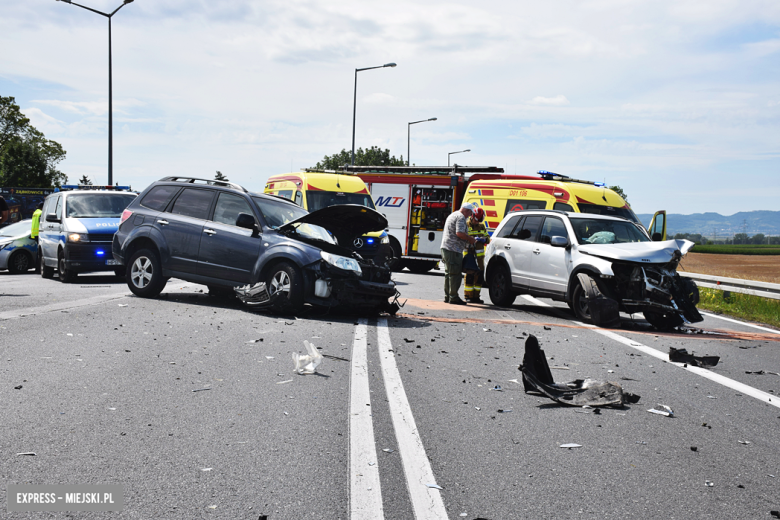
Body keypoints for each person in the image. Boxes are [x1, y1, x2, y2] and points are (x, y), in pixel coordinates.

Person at [440, 202, 479, 305]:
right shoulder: (461, 217)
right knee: (455, 274)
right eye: (470, 213)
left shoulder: (453, 214)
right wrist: (470, 239)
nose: (469, 216)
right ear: (466, 210)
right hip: (453, 250)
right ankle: (453, 297)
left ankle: (448, 296)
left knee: (449, 274)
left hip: (447, 248)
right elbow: (459, 233)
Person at [463, 206, 490, 303]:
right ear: (472, 216)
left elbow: (488, 238)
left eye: (479, 220)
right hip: (469, 255)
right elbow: (462, 238)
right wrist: (471, 240)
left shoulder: (481, 226)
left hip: (480, 258)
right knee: (469, 276)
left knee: (479, 276)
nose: (477, 222)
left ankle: (476, 297)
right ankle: (468, 296)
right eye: (476, 220)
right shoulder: (466, 225)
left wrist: (484, 239)